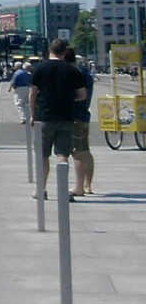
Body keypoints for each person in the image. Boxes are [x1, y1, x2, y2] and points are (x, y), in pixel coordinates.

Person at [29, 39, 87, 200]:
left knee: (42, 154)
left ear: (50, 50)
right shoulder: (72, 70)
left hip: (45, 116)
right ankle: (63, 190)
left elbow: (32, 93)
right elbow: (82, 95)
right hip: (66, 116)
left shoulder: (40, 67)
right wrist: (68, 99)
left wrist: (33, 114)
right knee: (63, 154)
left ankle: (41, 189)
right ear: (64, 52)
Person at [65, 47, 95, 198]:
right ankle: (87, 185)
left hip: (76, 115)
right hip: (83, 114)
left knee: (78, 151)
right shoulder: (84, 73)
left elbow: (78, 95)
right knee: (85, 150)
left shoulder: (75, 74)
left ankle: (80, 187)